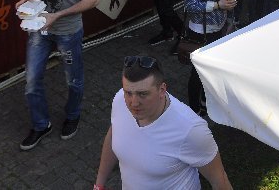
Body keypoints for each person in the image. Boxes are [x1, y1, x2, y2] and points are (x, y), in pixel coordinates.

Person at [16, 0, 100, 150]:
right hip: (39, 28)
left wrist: (58, 15)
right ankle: (41, 125)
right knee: (31, 80)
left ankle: (73, 115)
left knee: (73, 80)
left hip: (67, 32)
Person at [93, 56, 233, 190]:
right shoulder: (120, 100)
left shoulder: (191, 130)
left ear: (162, 90)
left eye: (143, 94)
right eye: (128, 93)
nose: (133, 103)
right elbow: (114, 134)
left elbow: (219, 180)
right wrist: (99, 185)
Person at [183, 0, 237, 113]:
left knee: (211, 70)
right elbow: (189, 4)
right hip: (201, 31)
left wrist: (229, 5)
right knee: (198, 73)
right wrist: (217, 5)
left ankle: (206, 102)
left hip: (219, 28)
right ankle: (194, 109)